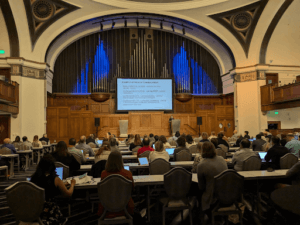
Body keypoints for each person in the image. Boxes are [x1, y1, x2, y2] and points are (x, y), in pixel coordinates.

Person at [31, 154, 75, 224]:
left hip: (35, 210)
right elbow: (68, 194)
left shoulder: (33, 178)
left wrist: (62, 184)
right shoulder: (56, 179)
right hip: (50, 212)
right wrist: (72, 184)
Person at [97, 151, 134, 218]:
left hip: (107, 206)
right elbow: (132, 189)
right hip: (125, 205)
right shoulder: (127, 173)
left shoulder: (104, 174)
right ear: (121, 161)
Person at [197, 142, 227, 214]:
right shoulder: (222, 159)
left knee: (197, 192)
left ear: (202, 151)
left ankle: (200, 216)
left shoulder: (201, 165)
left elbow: (201, 187)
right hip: (226, 194)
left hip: (212, 197)